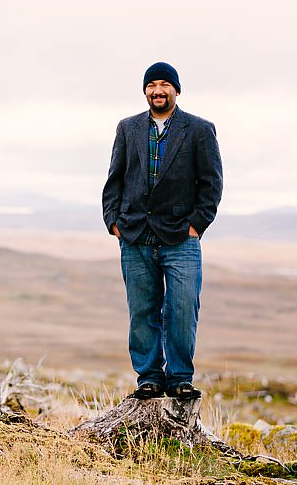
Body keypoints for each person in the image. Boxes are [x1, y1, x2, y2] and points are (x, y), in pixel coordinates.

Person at [101, 62, 223, 400]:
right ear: (145, 91)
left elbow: (211, 184)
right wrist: (114, 223)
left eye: (164, 84)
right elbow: (114, 179)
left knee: (182, 310)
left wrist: (197, 225)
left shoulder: (199, 130)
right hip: (135, 235)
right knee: (142, 311)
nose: (158, 90)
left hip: (181, 238)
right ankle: (149, 378)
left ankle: (180, 377)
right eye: (152, 85)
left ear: (176, 90)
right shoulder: (128, 128)